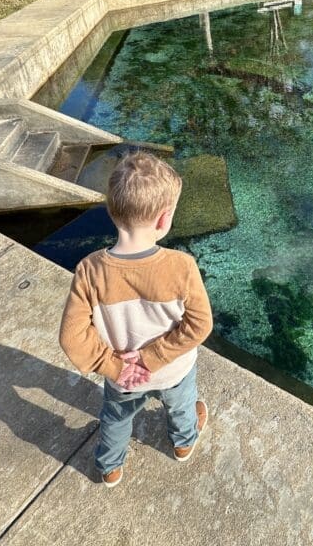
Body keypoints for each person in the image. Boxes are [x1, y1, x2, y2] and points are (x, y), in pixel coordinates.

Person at [59, 151, 213, 487]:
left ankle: (110, 466)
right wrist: (152, 357)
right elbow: (200, 325)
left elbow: (72, 337)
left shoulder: (89, 269)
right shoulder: (181, 266)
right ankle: (184, 443)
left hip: (122, 378)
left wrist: (115, 366)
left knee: (115, 419)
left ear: (112, 212)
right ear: (163, 220)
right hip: (173, 370)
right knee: (182, 406)